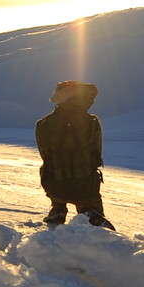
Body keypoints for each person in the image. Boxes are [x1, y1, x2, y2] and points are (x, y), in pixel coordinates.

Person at [35, 80, 113, 227]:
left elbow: (45, 154)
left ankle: (57, 208)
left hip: (54, 185)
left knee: (50, 167)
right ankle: (89, 213)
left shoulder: (43, 123)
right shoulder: (92, 122)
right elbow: (96, 154)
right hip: (85, 186)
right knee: (88, 197)